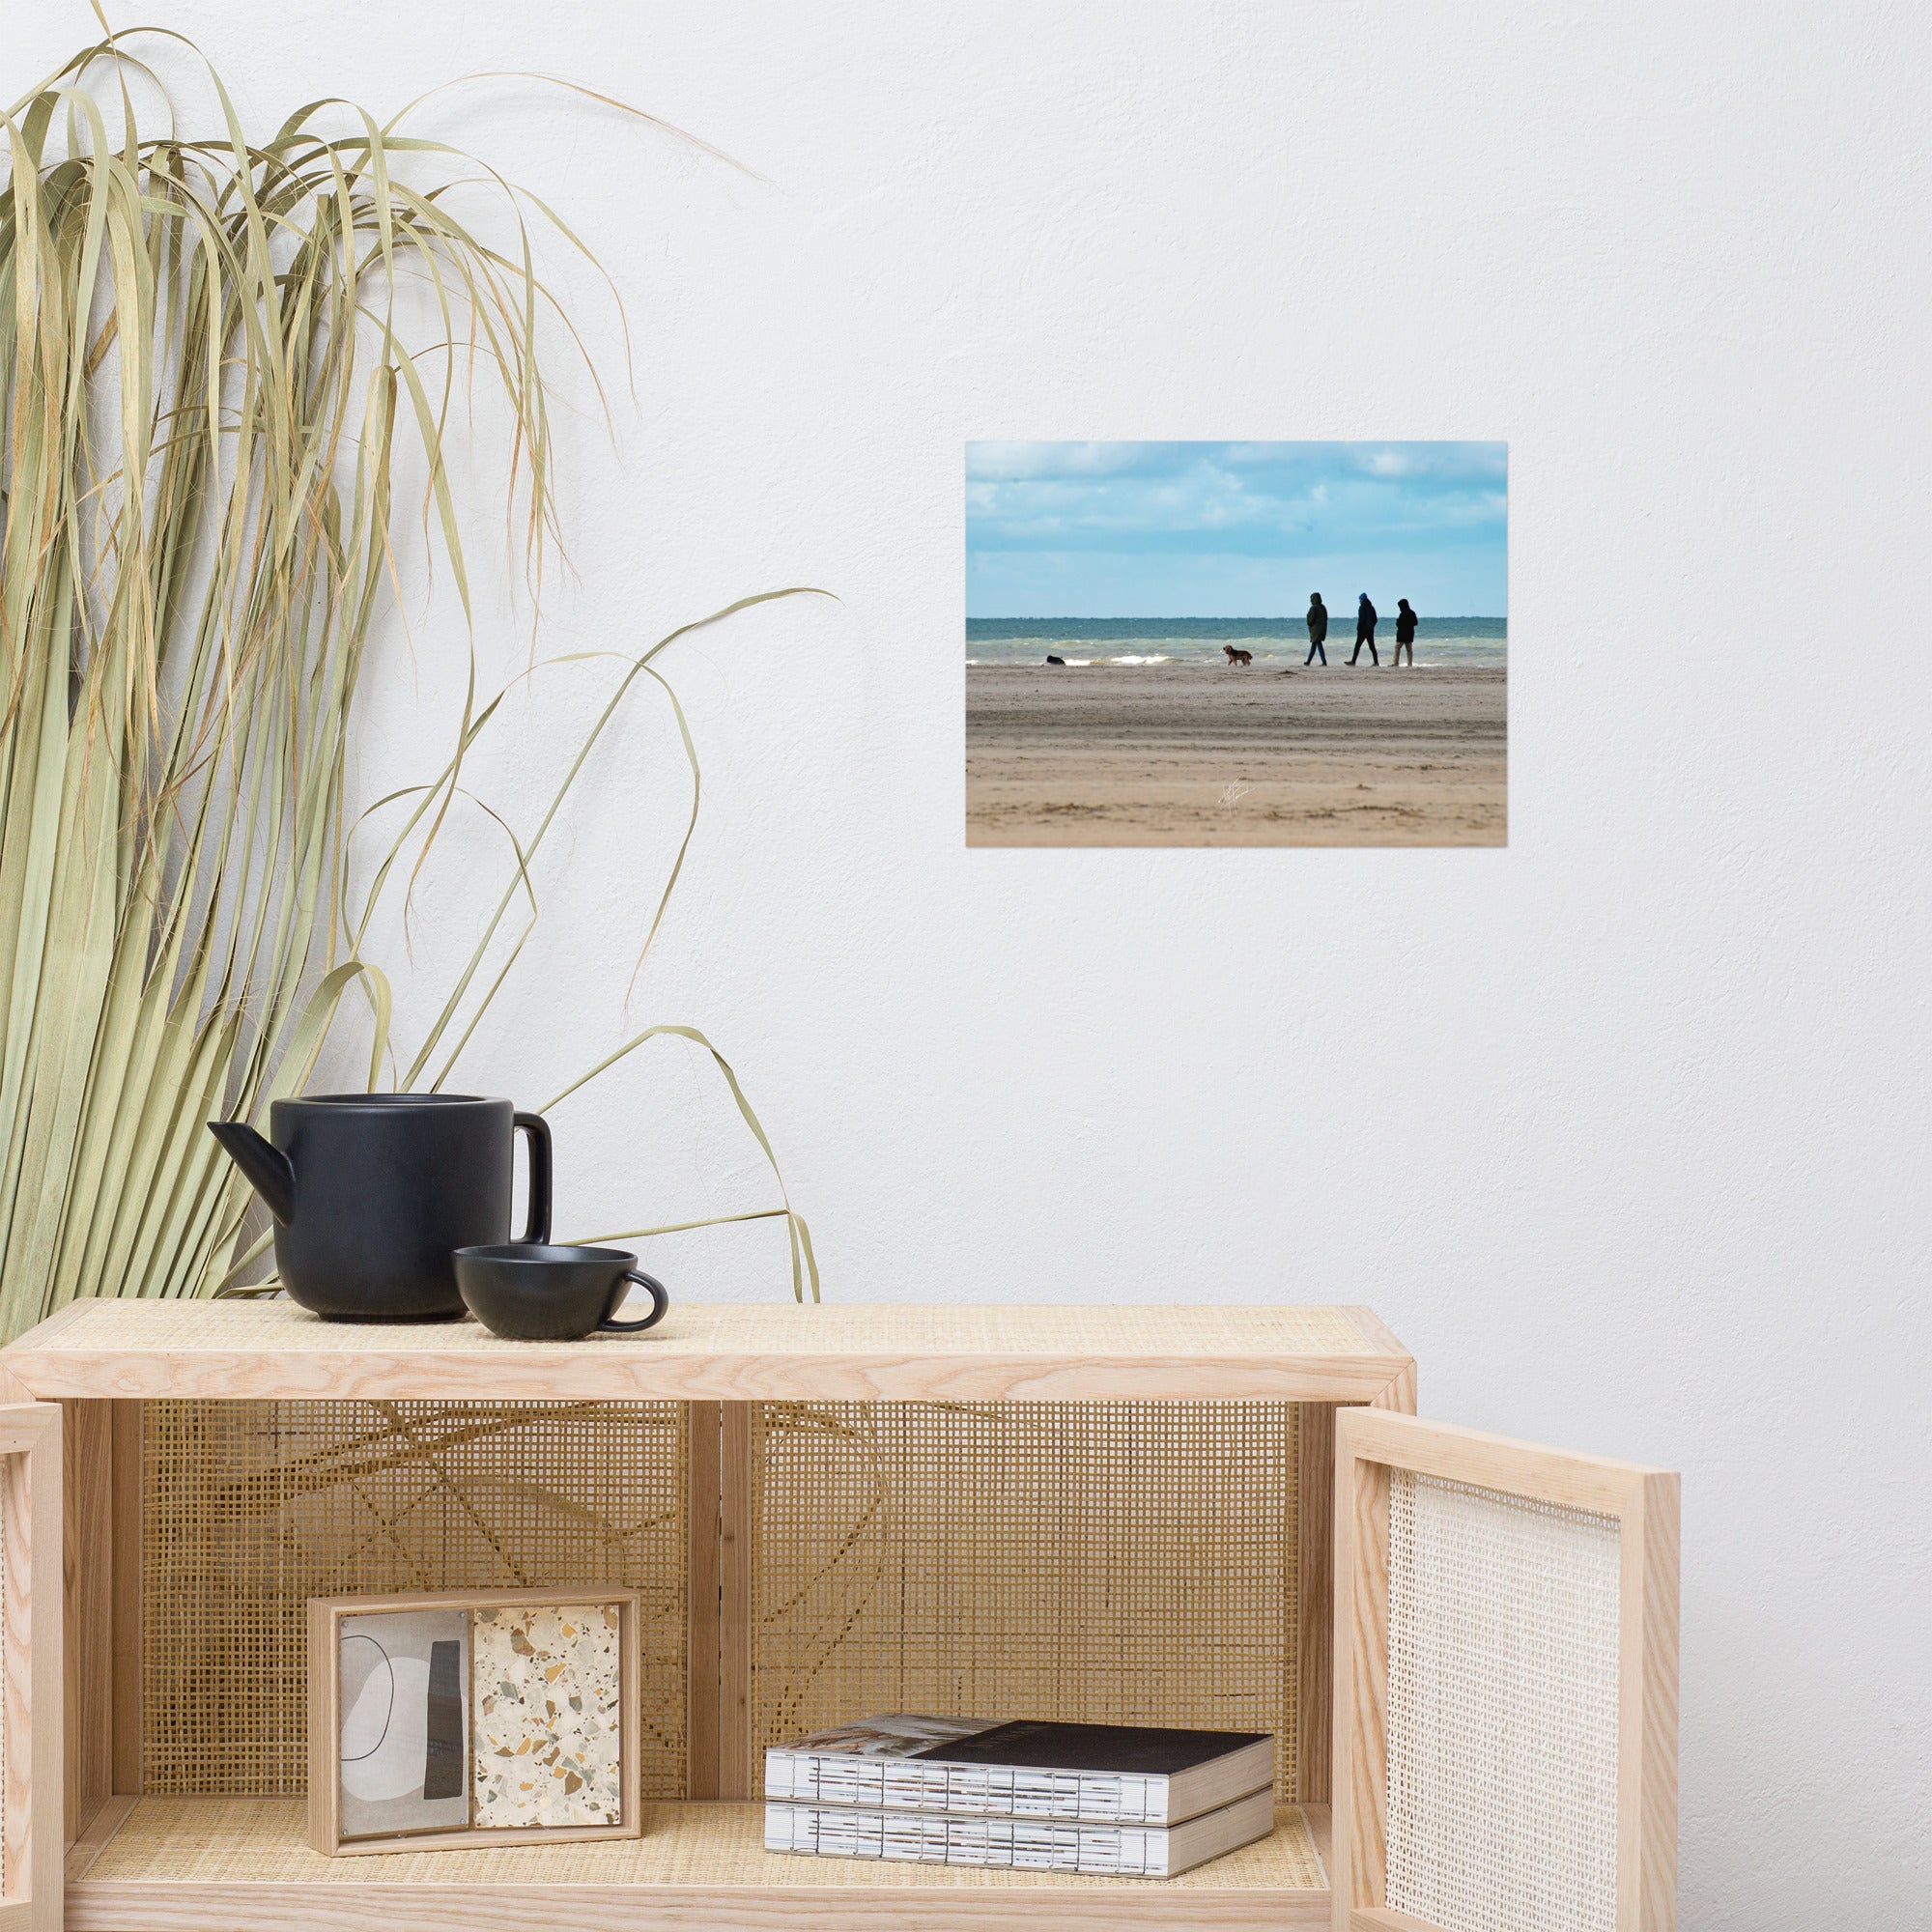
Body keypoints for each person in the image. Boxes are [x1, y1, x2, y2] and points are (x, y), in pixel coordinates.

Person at [1349, 593, 1378, 666]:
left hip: (1363, 630)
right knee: (1372, 647)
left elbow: (1361, 619)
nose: (1359, 601)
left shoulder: (1362, 607)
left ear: (1362, 599)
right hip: (1370, 630)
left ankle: (1353, 661)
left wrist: (1358, 628)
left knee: (1357, 646)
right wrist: (1372, 626)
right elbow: (1375, 619)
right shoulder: (1371, 607)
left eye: (1360, 599)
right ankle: (1376, 662)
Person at [1304, 592, 1328, 666]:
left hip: (1315, 630)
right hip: (1322, 628)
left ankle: (1324, 662)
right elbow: (1326, 618)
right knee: (1314, 645)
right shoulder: (1323, 607)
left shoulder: (1313, 608)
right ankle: (1308, 661)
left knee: (1318, 644)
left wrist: (1309, 624)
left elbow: (1310, 620)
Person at [1393, 598, 1417, 667]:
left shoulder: (1402, 614)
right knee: (1409, 650)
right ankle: (1410, 664)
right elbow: (1415, 623)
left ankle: (1396, 663)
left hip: (1402, 634)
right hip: (1409, 634)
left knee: (1397, 647)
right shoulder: (1412, 613)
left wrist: (1398, 622)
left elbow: (1399, 624)